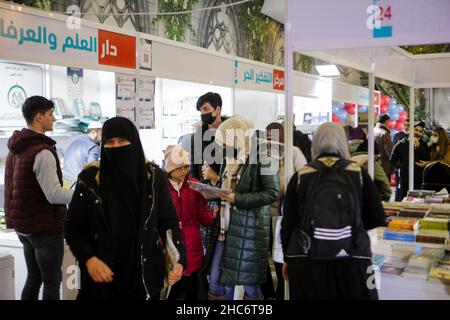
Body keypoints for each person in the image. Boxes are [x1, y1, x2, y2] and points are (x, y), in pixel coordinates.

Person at [64, 117, 186, 300]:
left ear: (134, 142)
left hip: (144, 277)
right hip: (100, 278)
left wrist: (178, 260)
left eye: (122, 141)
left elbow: (168, 222)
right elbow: (73, 227)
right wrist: (89, 258)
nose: (116, 147)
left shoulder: (153, 178)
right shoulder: (90, 179)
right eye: (110, 142)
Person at [281, 122, 385, 300]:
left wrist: (288, 257)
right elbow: (377, 217)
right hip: (353, 258)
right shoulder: (357, 172)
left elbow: (288, 223)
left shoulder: (301, 176)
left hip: (305, 259)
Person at [4, 96, 74, 300]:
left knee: (34, 277)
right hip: (44, 229)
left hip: (24, 228)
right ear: (39, 117)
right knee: (52, 281)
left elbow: (10, 187)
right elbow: (54, 194)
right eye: (51, 114)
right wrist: (83, 194)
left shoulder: (16, 148)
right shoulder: (42, 152)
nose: (54, 118)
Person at [206, 116, 279, 300]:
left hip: (249, 231)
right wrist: (212, 191)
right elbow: (226, 187)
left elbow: (272, 193)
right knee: (218, 281)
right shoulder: (229, 159)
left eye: (226, 142)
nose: (222, 148)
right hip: (225, 228)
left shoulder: (263, 156)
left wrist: (237, 198)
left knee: (250, 286)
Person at [164, 145, 215, 300]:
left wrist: (213, 217)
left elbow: (203, 216)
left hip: (193, 245)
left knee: (192, 291)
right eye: (179, 167)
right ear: (169, 169)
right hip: (170, 246)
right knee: (172, 291)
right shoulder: (161, 188)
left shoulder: (194, 185)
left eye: (186, 167)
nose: (183, 171)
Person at [263, 122, 307, 300]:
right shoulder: (262, 154)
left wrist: (284, 188)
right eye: (266, 135)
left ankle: (282, 290)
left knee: (280, 253)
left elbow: (304, 177)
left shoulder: (293, 152)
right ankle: (270, 292)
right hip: (266, 211)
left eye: (272, 135)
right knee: (265, 252)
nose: (269, 139)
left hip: (284, 212)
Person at [190, 92, 228, 180]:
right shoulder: (197, 137)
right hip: (205, 187)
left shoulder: (232, 132)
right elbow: (194, 170)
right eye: (201, 110)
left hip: (227, 186)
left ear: (217, 110)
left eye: (206, 109)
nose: (202, 113)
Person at [390, 121, 430, 201]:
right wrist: (403, 166)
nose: (418, 133)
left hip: (419, 179)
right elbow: (392, 160)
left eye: (420, 131)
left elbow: (426, 158)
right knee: (404, 200)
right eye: (416, 130)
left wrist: (418, 146)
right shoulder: (401, 144)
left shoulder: (423, 144)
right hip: (405, 179)